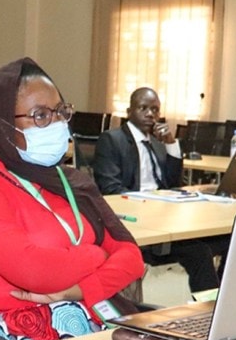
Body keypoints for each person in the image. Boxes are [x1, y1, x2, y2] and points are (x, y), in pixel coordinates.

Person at [0, 58, 144, 340]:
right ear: (3, 126)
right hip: (23, 339)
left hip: (98, 317)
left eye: (60, 112)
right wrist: (98, 254)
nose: (56, 124)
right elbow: (35, 272)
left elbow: (132, 259)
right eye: (40, 116)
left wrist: (81, 290)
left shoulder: (73, 183)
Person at [91, 87, 223, 292]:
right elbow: (111, 189)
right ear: (129, 111)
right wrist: (150, 201)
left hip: (164, 219)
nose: (150, 114)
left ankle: (219, 304)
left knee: (225, 242)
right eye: (143, 108)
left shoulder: (158, 144)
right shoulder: (112, 140)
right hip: (136, 224)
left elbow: (173, 184)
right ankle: (209, 312)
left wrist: (171, 145)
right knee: (200, 252)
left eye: (155, 109)